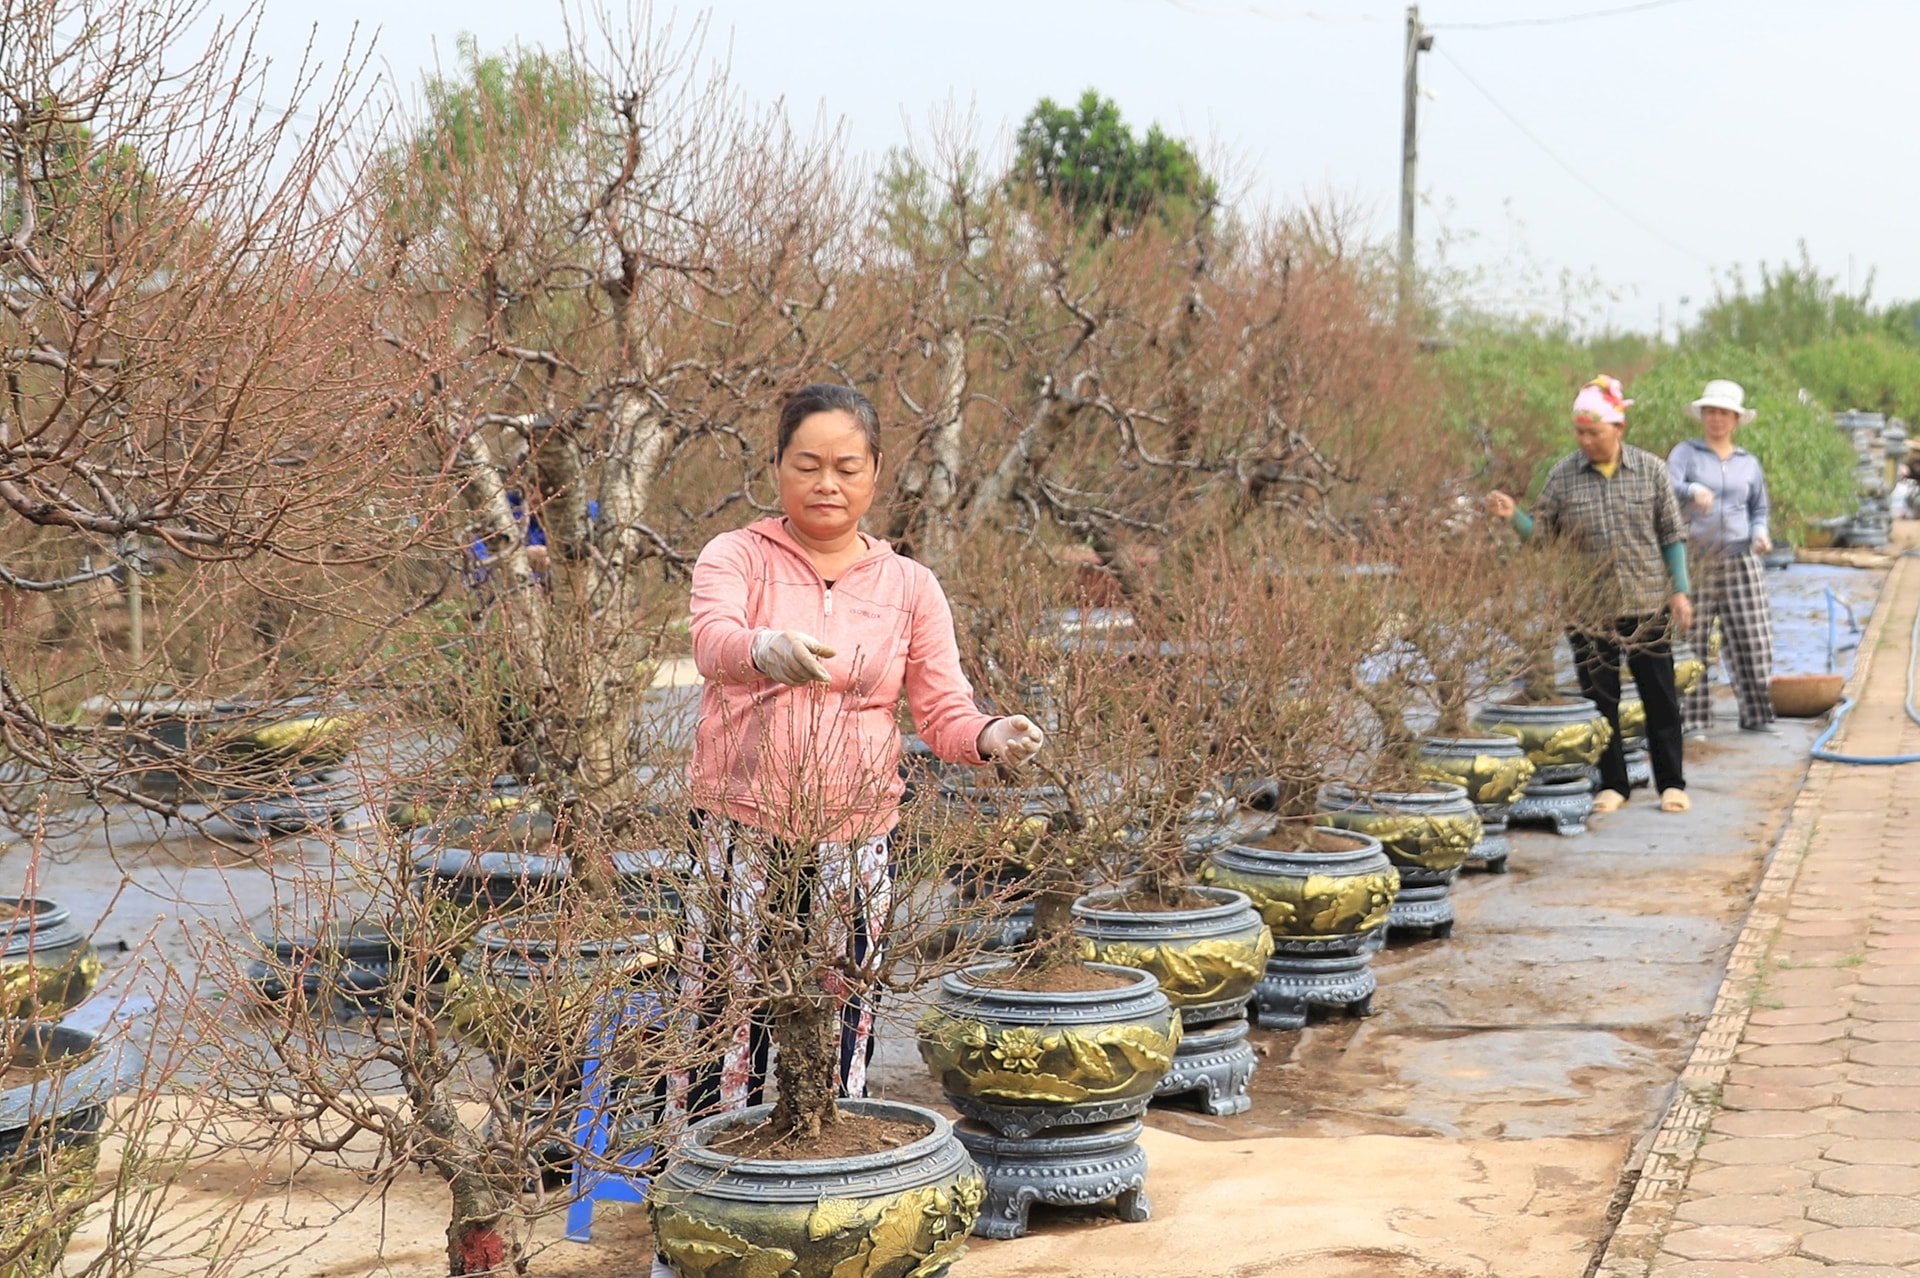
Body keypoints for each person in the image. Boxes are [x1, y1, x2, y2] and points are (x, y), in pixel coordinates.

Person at [681, 382, 1045, 1116]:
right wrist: (765, 648)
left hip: (855, 837)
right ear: (776, 467)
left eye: (847, 466)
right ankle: (705, 1176)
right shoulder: (737, 557)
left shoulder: (910, 586)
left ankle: (827, 1160)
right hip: (741, 829)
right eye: (808, 463)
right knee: (724, 1010)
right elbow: (711, 641)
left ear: (875, 472)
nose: (827, 483)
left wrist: (989, 734)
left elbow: (943, 709)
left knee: (843, 1016)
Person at [1486, 375, 1694, 815]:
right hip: (1587, 609)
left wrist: (1681, 591)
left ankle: (1671, 783)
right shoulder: (1563, 476)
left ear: (1618, 429)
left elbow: (1672, 534)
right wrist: (1514, 518)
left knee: (1660, 696)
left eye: (1594, 433)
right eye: (1580, 433)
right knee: (1601, 702)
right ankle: (1613, 784)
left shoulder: (1652, 470)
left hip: (1647, 601)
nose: (1585, 441)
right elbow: (1543, 538)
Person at [1667, 379, 1777, 738]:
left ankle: (1757, 713)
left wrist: (1760, 532)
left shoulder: (1748, 463)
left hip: (1741, 556)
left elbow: (1758, 507)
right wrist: (1691, 489)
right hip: (1695, 559)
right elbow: (1667, 485)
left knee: (1752, 636)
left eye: (1724, 413)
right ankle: (1694, 719)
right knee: (1691, 639)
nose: (1716, 419)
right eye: (1710, 412)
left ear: (1736, 419)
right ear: (1702, 416)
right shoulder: (1686, 453)